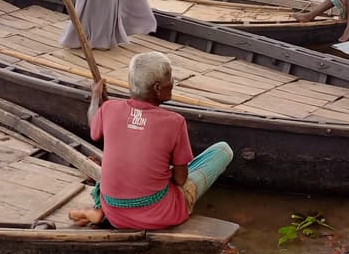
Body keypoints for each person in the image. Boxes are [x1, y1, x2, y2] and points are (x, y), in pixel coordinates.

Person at [68, 52, 234, 230]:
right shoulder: (175, 122)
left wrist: (95, 96)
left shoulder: (109, 108)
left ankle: (99, 210)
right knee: (223, 150)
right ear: (157, 88)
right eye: (169, 78)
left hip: (115, 211)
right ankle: (103, 211)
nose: (172, 82)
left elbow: (94, 128)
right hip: (158, 214)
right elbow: (180, 179)